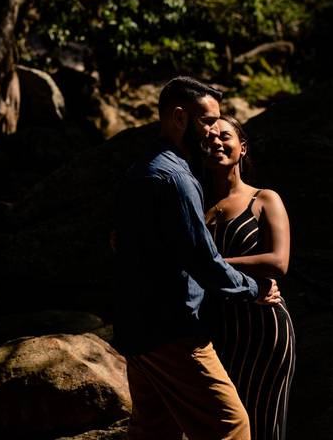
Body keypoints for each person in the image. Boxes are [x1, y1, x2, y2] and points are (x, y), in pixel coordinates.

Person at [113, 76, 280, 440]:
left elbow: (118, 244)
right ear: (178, 117)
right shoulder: (175, 178)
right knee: (231, 427)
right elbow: (202, 260)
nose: (212, 130)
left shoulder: (140, 169)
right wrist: (254, 289)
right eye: (205, 121)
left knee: (155, 430)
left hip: (136, 329)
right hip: (173, 329)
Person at [202, 115, 296, 440]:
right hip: (214, 330)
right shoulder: (195, 206)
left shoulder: (264, 199)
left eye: (224, 136)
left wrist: (212, 264)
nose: (215, 142)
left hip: (263, 328)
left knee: (264, 424)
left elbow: (278, 262)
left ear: (242, 148)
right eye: (207, 139)